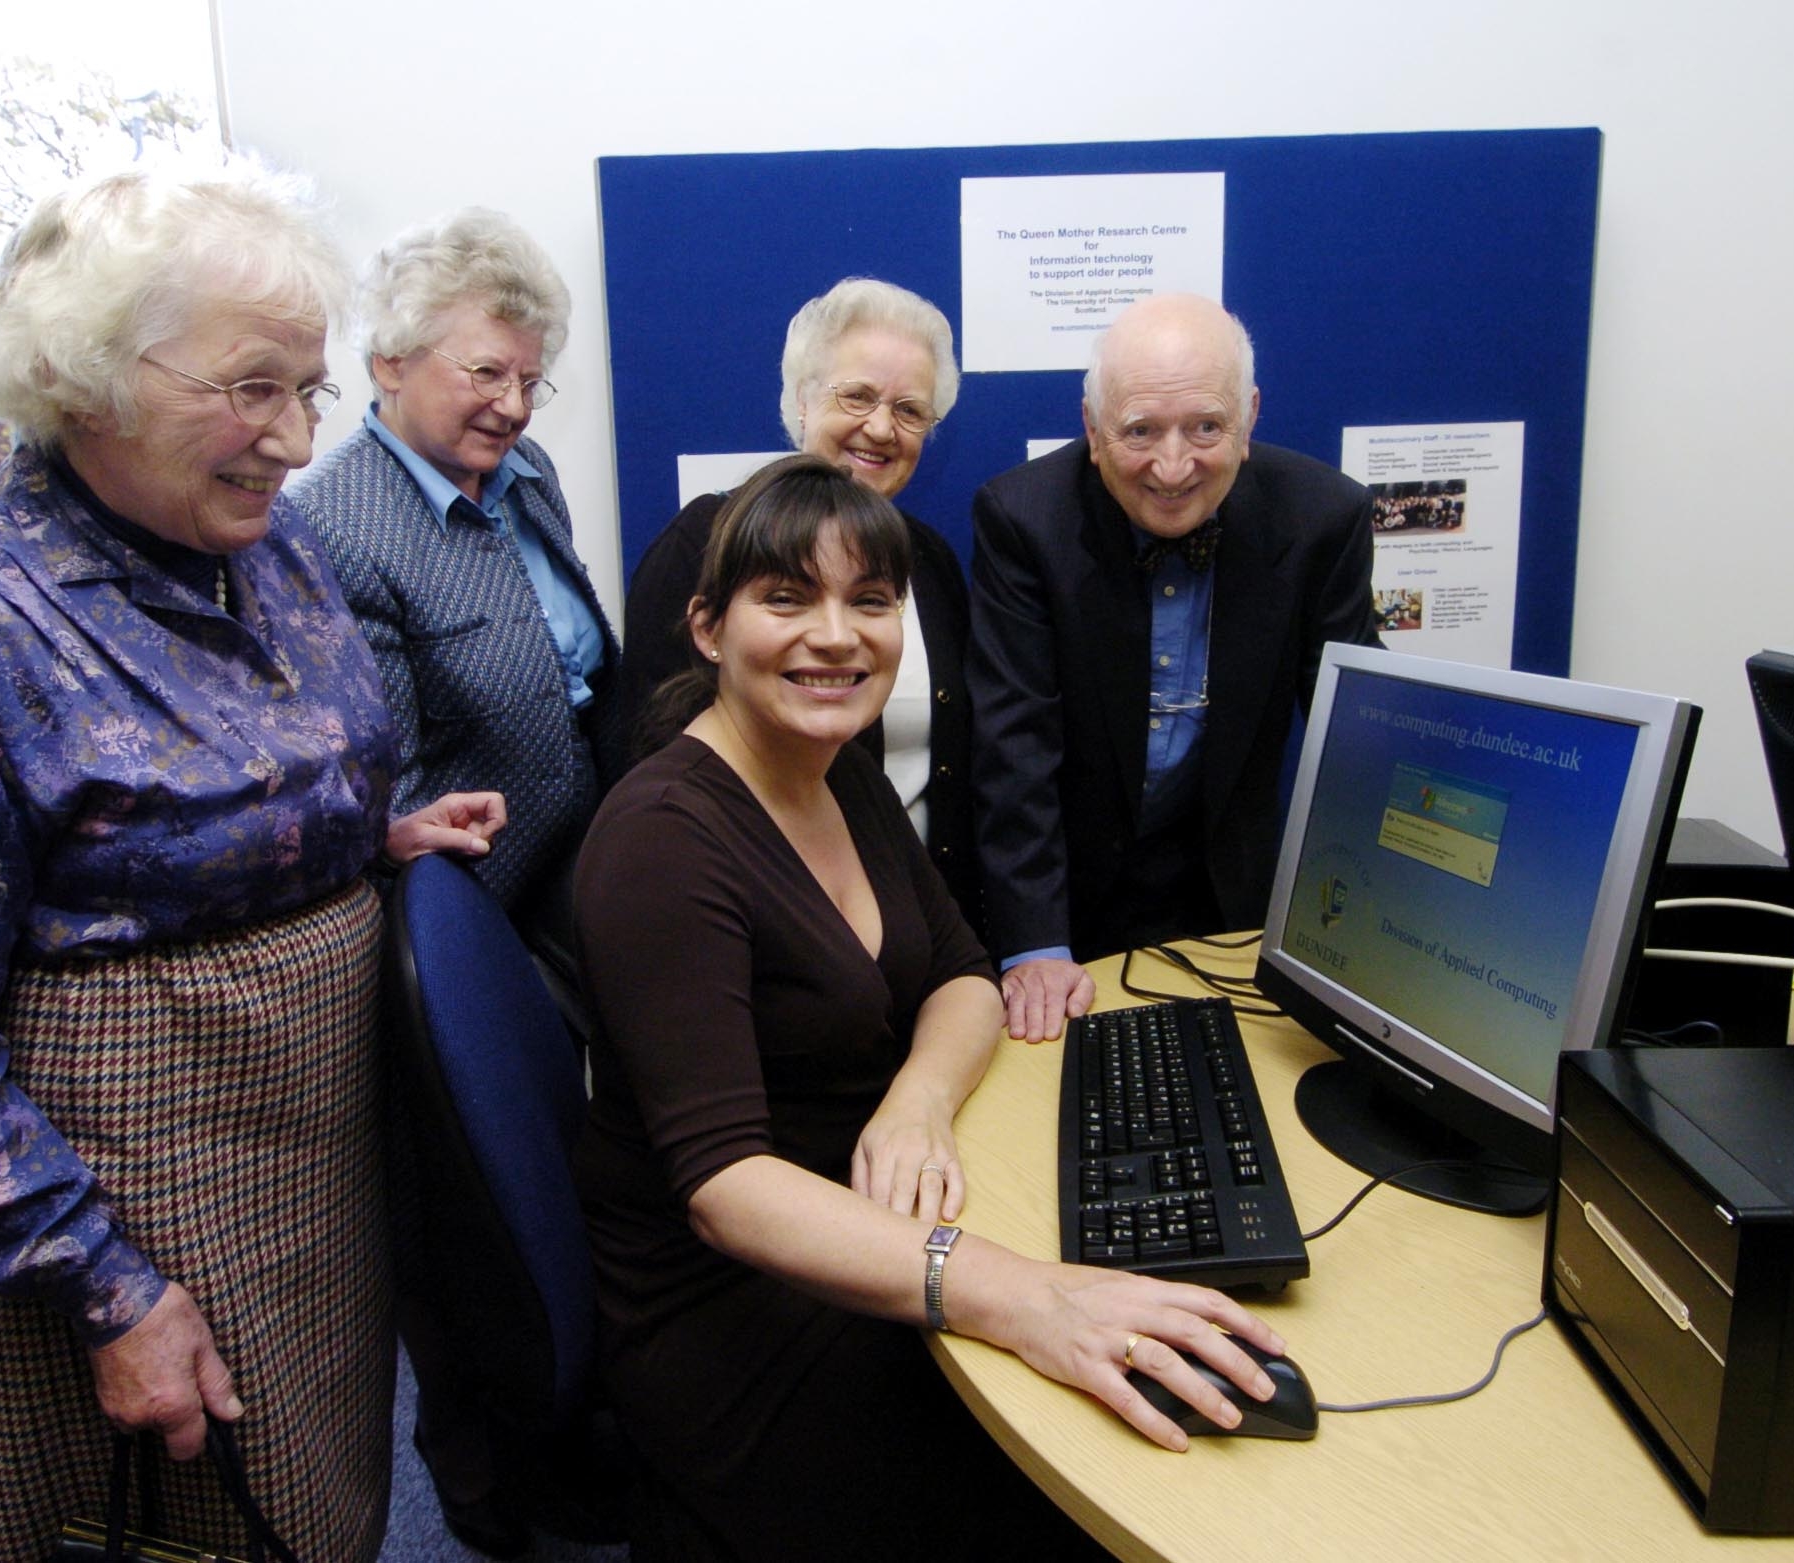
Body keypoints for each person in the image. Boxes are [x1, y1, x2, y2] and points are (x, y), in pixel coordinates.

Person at [0, 163, 504, 1563]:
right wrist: (107, 1289)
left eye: (307, 390)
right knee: (184, 1519)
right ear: (81, 375)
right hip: (143, 1189)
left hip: (322, 1143)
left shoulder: (265, 544)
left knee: (322, 1496)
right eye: (253, 387)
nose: (297, 440)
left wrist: (356, 843)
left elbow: (211, 791)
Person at [573, 454, 1288, 1562]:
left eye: (870, 601)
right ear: (707, 628)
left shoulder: (833, 765)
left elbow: (961, 971)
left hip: (870, 1225)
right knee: (1124, 1456)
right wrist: (1016, 1297)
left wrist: (915, 1101)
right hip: (740, 1321)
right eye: (786, 599)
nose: (836, 636)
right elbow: (725, 1188)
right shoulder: (662, 840)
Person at [292, 208, 621, 1555]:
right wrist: (403, 827)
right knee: (465, 1216)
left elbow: (572, 663)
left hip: (556, 892)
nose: (511, 400)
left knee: (561, 1186)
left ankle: (578, 1427)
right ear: (390, 361)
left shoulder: (522, 470)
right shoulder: (333, 527)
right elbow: (364, 772)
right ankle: (489, 1485)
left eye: (528, 373)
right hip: (444, 929)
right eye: (481, 371)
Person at [970, 293, 1381, 1043]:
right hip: (1070, 900)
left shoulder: (1325, 518)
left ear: (1248, 417)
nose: (1172, 466)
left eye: (1205, 427)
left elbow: (1351, 743)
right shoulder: (1022, 518)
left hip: (1231, 908)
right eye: (1138, 431)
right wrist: (1034, 941)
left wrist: (1362, 928)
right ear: (1092, 430)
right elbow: (1012, 744)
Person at [616, 277, 980, 922]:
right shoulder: (703, 547)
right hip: (767, 928)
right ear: (803, 401)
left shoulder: (931, 560)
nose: (880, 428)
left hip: (921, 926)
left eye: (909, 410)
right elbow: (648, 758)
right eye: (857, 395)